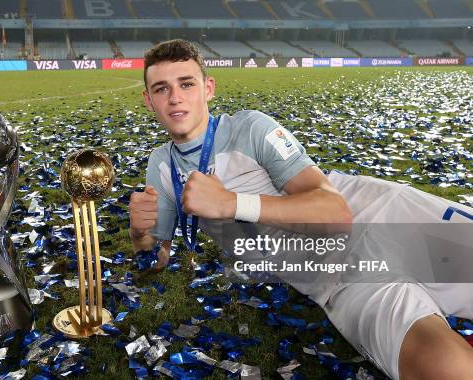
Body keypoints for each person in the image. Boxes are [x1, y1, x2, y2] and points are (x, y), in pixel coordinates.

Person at [128, 39, 473, 380]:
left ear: (208, 88)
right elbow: (156, 257)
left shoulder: (250, 127)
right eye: (161, 89)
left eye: (186, 84)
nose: (175, 97)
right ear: (148, 100)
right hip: (338, 284)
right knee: (444, 368)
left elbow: (336, 213)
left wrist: (232, 203)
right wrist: (140, 233)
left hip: (382, 220)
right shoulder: (161, 166)